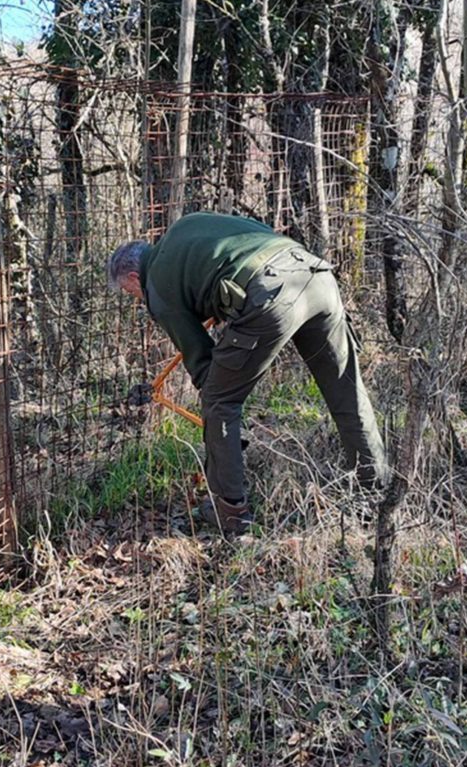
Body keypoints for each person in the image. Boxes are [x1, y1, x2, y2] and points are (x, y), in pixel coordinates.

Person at [107, 213, 389, 535]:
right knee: (346, 390)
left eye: (130, 292)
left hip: (272, 294)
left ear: (134, 276)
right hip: (315, 274)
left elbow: (200, 360)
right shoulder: (185, 228)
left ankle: (230, 513)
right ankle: (376, 493)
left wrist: (220, 409)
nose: (136, 298)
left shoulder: (157, 287)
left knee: (218, 400)